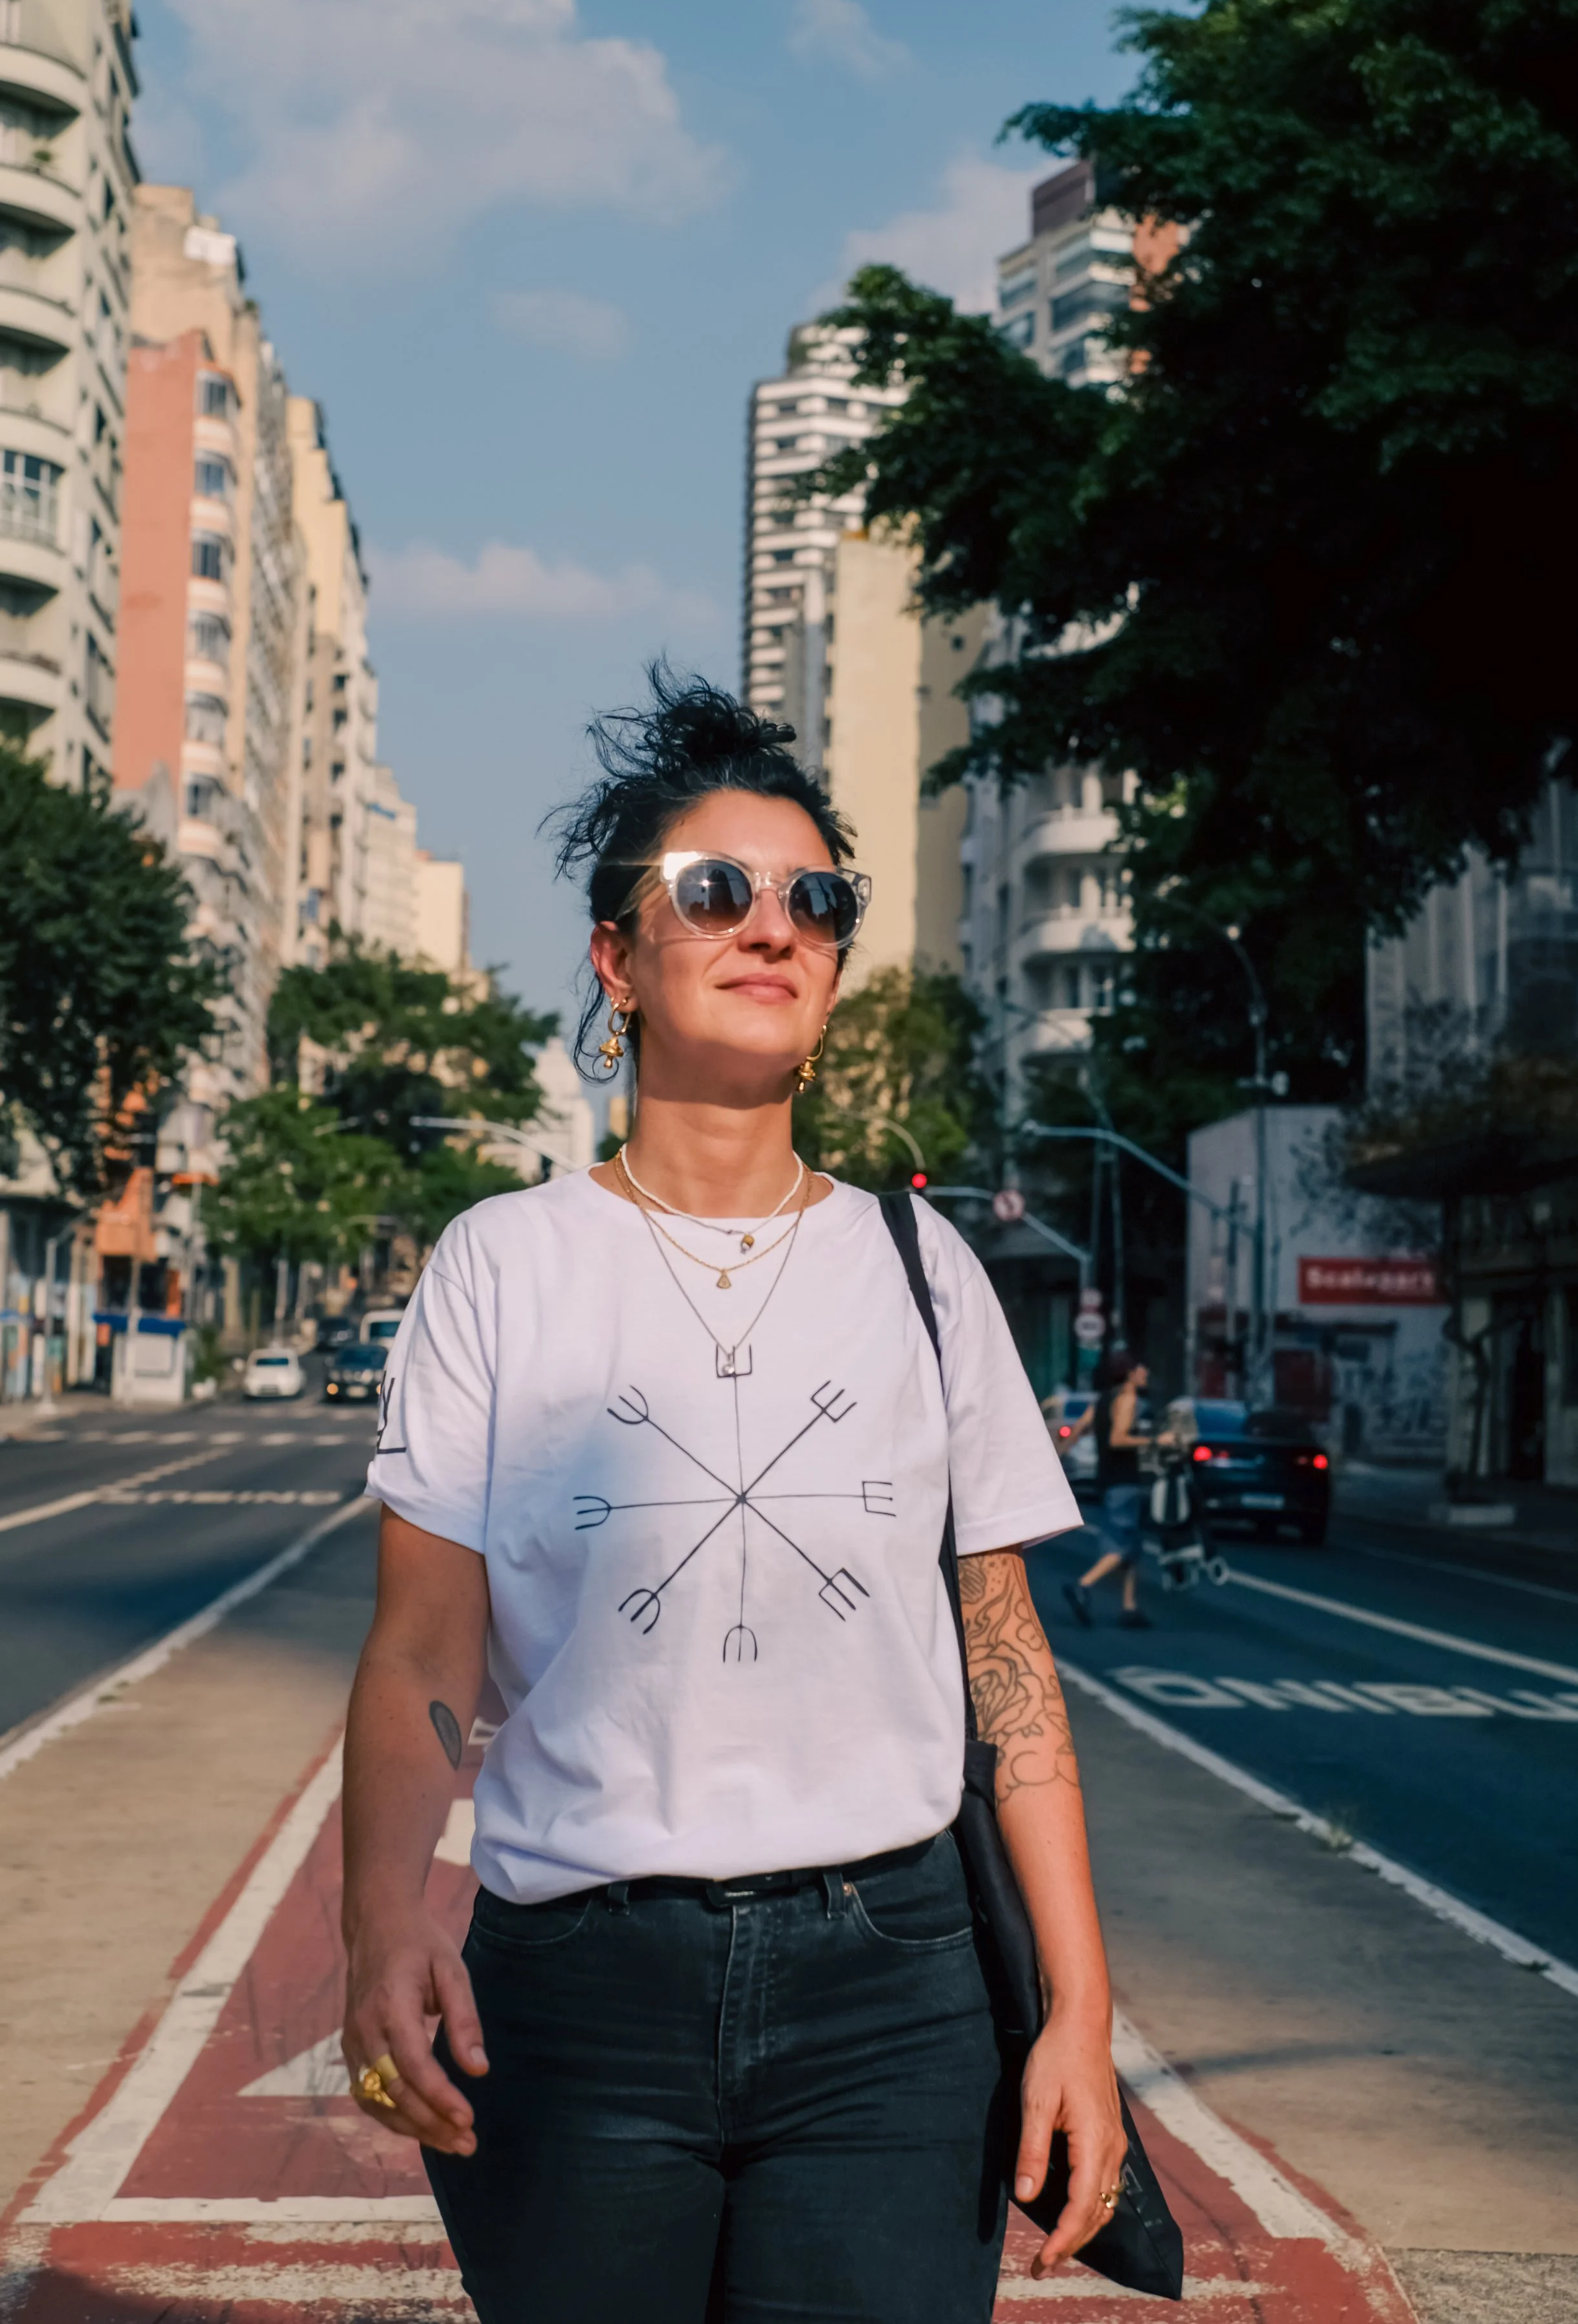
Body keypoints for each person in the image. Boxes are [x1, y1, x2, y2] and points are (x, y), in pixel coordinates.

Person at [338, 673, 1127, 2324]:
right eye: (716, 888)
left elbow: (1006, 1658)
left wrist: (1079, 2005)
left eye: (813, 899)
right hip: (573, 1991)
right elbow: (424, 1642)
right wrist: (378, 1923)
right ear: (619, 957)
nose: (772, 924)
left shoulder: (922, 1268)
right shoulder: (504, 1262)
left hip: (898, 1997)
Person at [1063, 1352, 1155, 1630]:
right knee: (1123, 1546)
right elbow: (1118, 1438)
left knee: (1133, 1548)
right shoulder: (1128, 1400)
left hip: (1106, 1480)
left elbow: (1078, 1428)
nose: (1146, 1372)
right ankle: (1083, 1585)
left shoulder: (1103, 1400)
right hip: (1124, 1481)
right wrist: (1154, 1441)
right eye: (1141, 1368)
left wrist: (1057, 1460)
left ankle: (1130, 1607)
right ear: (1130, 1373)